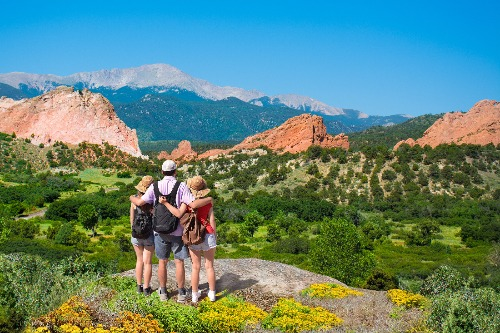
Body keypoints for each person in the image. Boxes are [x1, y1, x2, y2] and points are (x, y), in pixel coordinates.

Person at [129, 160, 212, 302]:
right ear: (175, 172)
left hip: (159, 231)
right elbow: (192, 204)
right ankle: (181, 292)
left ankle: (163, 291)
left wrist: (131, 197)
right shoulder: (181, 186)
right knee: (179, 262)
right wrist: (210, 199)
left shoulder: (155, 186)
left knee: (162, 261)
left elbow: (140, 202)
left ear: (162, 172)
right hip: (177, 231)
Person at [160, 175, 217, 303]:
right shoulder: (208, 202)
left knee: (195, 266)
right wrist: (214, 236)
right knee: (209, 266)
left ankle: (195, 295)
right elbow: (212, 220)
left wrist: (165, 203)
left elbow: (178, 214)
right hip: (208, 234)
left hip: (192, 235)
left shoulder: (186, 203)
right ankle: (212, 293)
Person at [130, 175, 155, 296]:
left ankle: (139, 286)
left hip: (136, 234)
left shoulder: (134, 199)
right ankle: (146, 288)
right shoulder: (153, 201)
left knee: (139, 260)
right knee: (148, 262)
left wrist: (134, 230)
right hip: (149, 235)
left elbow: (132, 217)